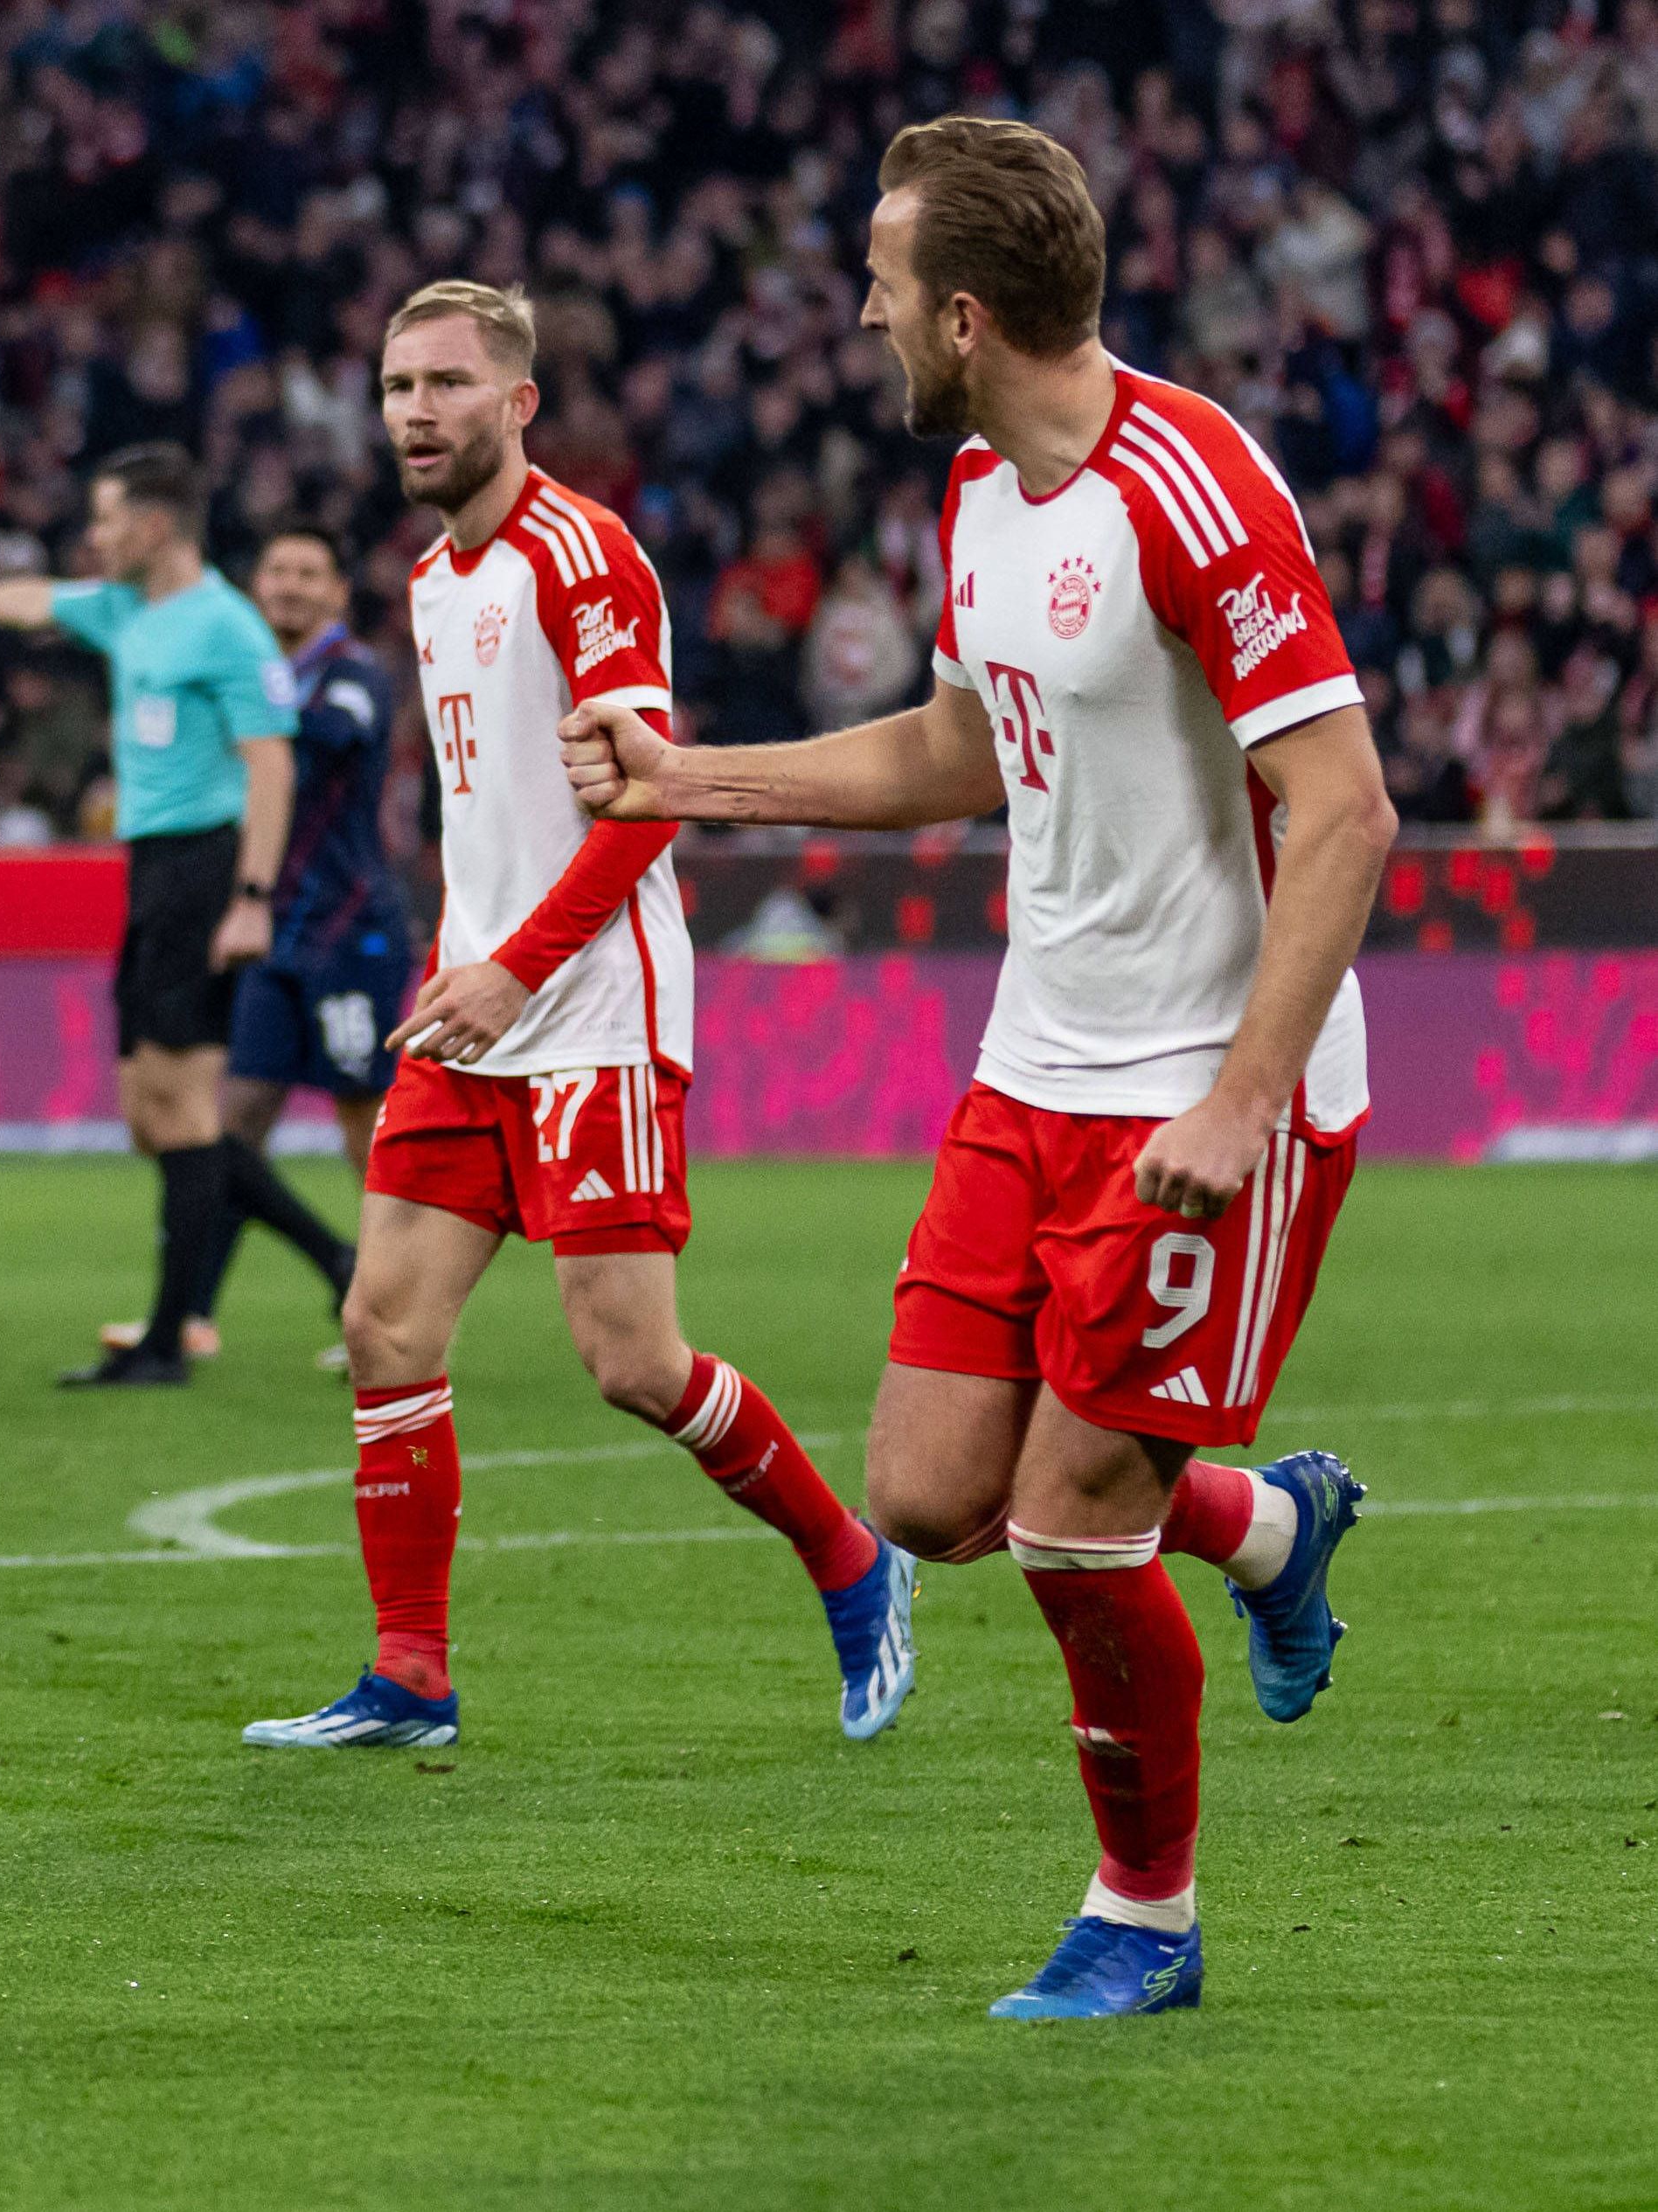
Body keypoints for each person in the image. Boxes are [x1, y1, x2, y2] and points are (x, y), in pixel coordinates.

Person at [559, 119, 1388, 2020]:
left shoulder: (1195, 493)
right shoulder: (977, 496)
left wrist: (1240, 1099)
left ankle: (1146, 1914)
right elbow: (961, 752)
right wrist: (691, 777)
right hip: (1035, 1064)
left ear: (961, 308)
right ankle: (1269, 1522)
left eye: (876, 279)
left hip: (1207, 1084)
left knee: (1074, 1516)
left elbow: (1345, 815)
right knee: (935, 1492)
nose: (857, 311)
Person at [244, 281, 916, 1755]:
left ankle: (853, 1559)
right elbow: (488, 821)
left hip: (593, 1005)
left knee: (631, 1362)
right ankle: (410, 1677)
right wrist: (458, 958)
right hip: (475, 999)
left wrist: (518, 970)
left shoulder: (583, 556)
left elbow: (645, 802)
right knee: (384, 1321)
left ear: (518, 402)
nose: (417, 411)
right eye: (396, 385)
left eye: (446, 384)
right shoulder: (431, 583)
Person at [0, 445, 298, 1388]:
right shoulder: (126, 609)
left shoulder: (228, 627)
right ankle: (326, 1257)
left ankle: (166, 1343)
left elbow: (271, 764)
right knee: (151, 1111)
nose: (92, 537)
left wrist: (252, 899)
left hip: (204, 866)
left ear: (154, 524)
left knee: (180, 1109)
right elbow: (34, 599)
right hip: (151, 868)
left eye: (105, 519)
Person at [98, 524, 399, 1367]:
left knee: (363, 1126)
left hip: (349, 934)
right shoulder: (252, 672)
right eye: (278, 572)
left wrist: (225, 704)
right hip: (266, 933)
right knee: (228, 1123)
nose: (292, 587)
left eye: (311, 573)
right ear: (254, 586)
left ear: (339, 593)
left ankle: (387, 1307)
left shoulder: (352, 676)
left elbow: (323, 740)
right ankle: (191, 1311)